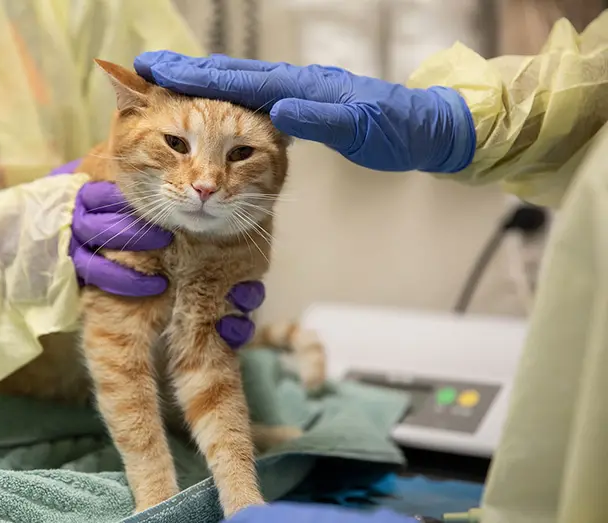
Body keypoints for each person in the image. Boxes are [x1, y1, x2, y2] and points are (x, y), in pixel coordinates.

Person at [72, 13, 608, 523]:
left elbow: (206, 363)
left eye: (241, 154)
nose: (206, 181)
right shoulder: (112, 198)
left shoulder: (245, 225)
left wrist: (245, 506)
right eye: (176, 144)